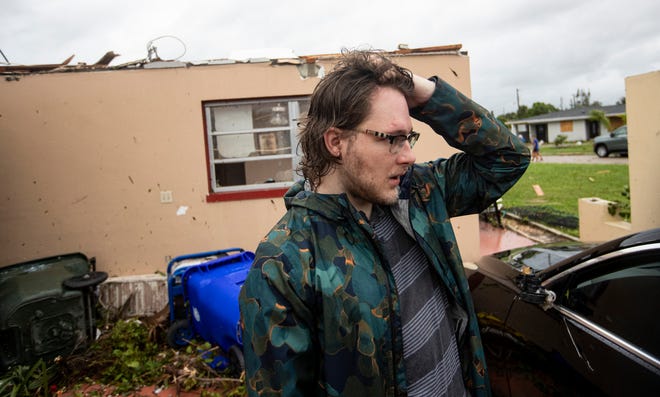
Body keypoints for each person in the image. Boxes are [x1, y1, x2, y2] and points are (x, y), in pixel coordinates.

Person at [239, 50, 530, 397]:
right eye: (391, 138)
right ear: (336, 142)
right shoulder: (286, 262)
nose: (408, 155)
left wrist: (422, 92)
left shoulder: (420, 193)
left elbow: (508, 159)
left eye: (409, 137)